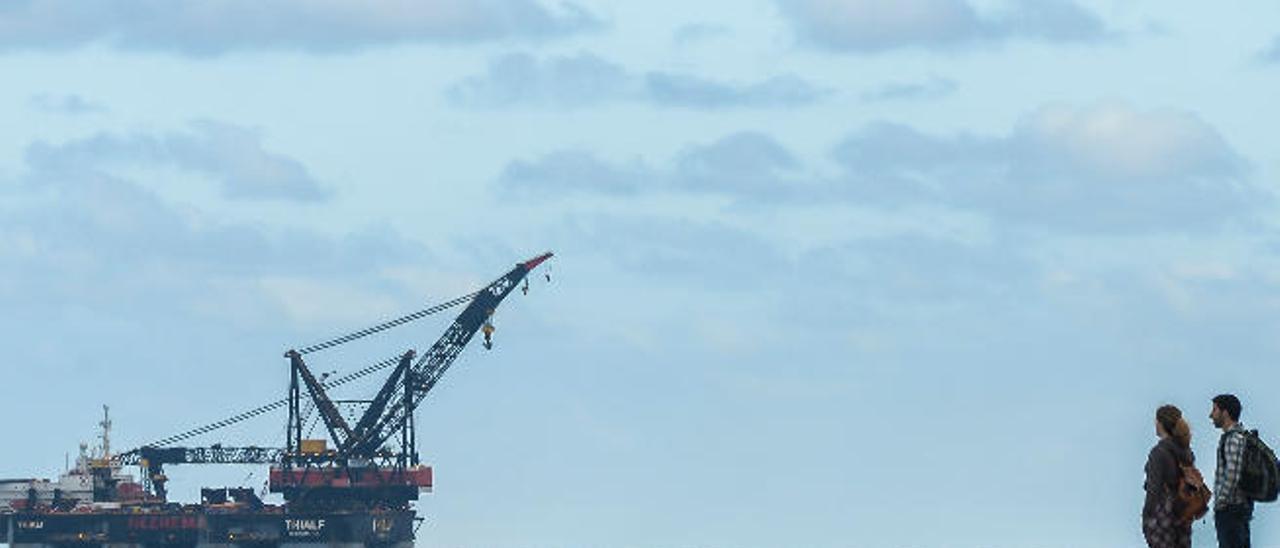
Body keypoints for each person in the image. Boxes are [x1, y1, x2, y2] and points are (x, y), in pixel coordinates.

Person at [1144, 404, 1195, 548]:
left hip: (1163, 516)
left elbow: (1153, 490)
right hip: (1183, 514)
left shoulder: (1158, 453)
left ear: (1161, 424)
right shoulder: (1186, 452)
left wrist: (1147, 517)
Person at [1211, 394, 1251, 548]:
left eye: (1214, 410)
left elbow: (1232, 475)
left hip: (1231, 510)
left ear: (1225, 413)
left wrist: (1220, 501)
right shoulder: (1242, 437)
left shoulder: (1232, 438)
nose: (1211, 415)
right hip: (1240, 508)